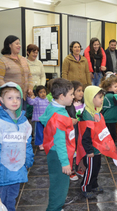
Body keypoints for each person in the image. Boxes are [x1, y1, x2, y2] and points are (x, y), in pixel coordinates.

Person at [0, 82, 34, 211]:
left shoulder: (23, 120)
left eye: (17, 97)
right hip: (0, 172)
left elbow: (26, 142)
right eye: (10, 98)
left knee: (11, 200)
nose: (15, 101)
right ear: (1, 99)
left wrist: (28, 160)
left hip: (16, 170)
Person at [39, 78, 75, 211]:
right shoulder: (59, 116)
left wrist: (68, 121)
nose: (73, 97)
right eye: (71, 94)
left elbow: (45, 119)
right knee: (60, 185)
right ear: (61, 96)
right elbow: (60, 142)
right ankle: (54, 208)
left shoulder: (53, 106)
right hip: (59, 154)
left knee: (56, 183)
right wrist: (65, 163)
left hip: (53, 152)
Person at [77, 86, 117, 199]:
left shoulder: (96, 112)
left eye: (102, 97)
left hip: (97, 148)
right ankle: (85, 187)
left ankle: (94, 184)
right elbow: (86, 136)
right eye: (100, 97)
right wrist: (89, 150)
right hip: (91, 150)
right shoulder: (87, 115)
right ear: (91, 98)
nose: (102, 100)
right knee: (90, 170)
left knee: (96, 168)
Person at [0, 35, 33, 111]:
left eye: (19, 43)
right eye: (17, 43)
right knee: (11, 120)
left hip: (23, 97)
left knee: (21, 119)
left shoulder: (23, 59)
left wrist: (30, 88)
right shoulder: (2, 61)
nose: (19, 46)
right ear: (9, 45)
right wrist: (8, 92)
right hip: (10, 100)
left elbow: (29, 75)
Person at [65, 80, 85, 181]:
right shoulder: (69, 106)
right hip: (73, 133)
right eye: (78, 91)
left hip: (81, 132)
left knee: (81, 150)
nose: (81, 93)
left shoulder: (83, 104)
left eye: (82, 90)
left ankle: (79, 167)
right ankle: (71, 170)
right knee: (72, 151)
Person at [27, 85, 50, 151]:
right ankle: (40, 143)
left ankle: (45, 143)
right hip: (38, 120)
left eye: (44, 92)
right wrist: (29, 97)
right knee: (39, 132)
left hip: (45, 120)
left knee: (46, 132)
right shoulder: (36, 99)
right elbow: (30, 102)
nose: (43, 94)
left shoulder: (47, 100)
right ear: (37, 94)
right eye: (41, 92)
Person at [100, 73, 117, 141]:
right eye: (115, 87)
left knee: (111, 136)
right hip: (109, 120)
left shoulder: (108, 95)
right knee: (111, 137)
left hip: (110, 119)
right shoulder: (111, 96)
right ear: (109, 88)